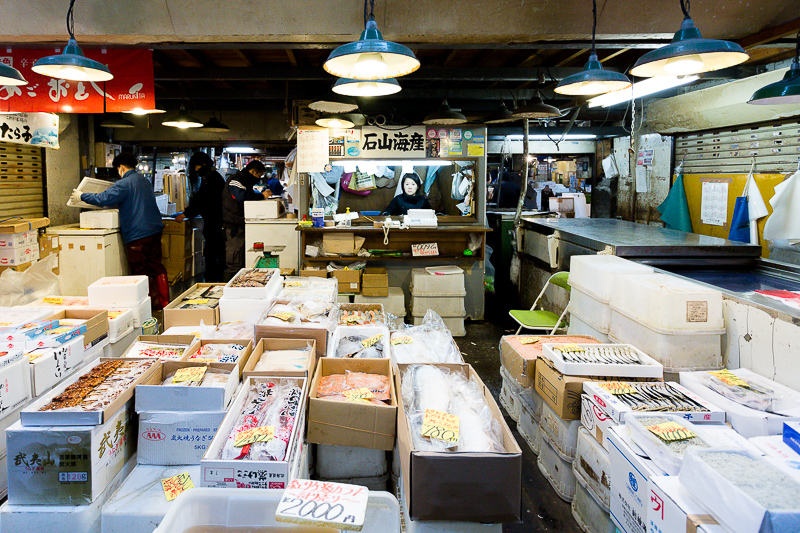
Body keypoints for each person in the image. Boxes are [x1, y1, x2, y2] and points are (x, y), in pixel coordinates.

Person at [72, 152, 169, 309]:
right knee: (156, 266)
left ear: (121, 167)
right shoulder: (143, 181)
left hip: (138, 236)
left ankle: (147, 305)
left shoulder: (124, 183)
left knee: (140, 272)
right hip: (154, 231)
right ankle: (164, 301)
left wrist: (82, 196)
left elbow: (103, 199)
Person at [176, 152, 226, 282]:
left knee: (213, 255)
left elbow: (202, 201)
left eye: (196, 167)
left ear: (202, 165)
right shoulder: (213, 177)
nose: (195, 170)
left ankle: (213, 282)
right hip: (216, 223)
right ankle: (214, 280)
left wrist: (186, 213)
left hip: (215, 223)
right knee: (213, 253)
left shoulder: (211, 179)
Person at [221, 159, 272, 279]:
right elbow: (241, 197)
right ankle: (227, 287)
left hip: (240, 223)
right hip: (233, 225)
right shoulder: (236, 180)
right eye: (259, 175)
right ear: (253, 171)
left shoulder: (244, 181)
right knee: (234, 259)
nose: (259, 178)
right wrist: (260, 196)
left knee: (240, 259)